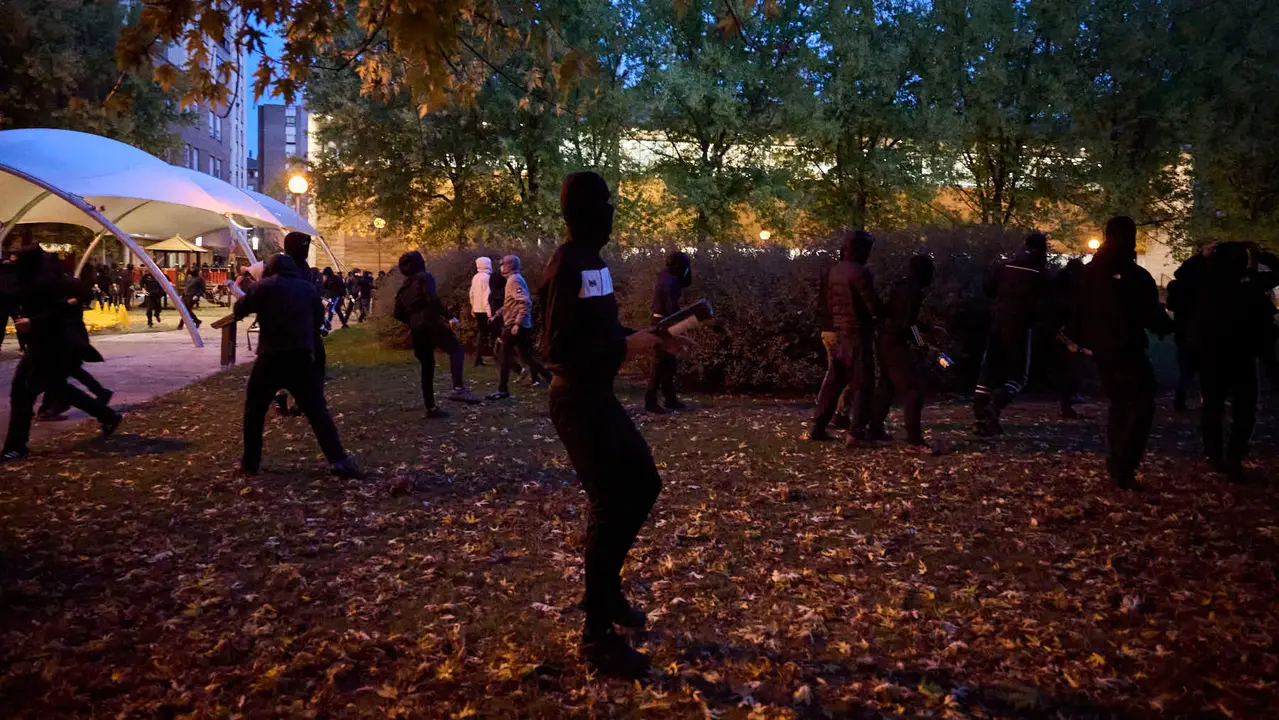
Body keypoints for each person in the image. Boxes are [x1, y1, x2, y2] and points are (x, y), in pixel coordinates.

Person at [540, 171, 688, 677]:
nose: (612, 211)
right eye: (604, 203)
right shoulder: (566, 266)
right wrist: (628, 346)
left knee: (643, 485)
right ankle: (596, 635)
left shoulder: (593, 264)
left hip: (597, 397)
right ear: (584, 211)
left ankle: (606, 592)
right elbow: (557, 350)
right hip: (577, 402)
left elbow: (600, 330)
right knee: (610, 504)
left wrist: (650, 335)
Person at [233, 254, 360, 477]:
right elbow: (319, 319)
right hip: (300, 356)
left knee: (254, 410)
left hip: (270, 356)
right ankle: (338, 460)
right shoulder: (307, 289)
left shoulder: (263, 287)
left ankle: (251, 462)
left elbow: (239, 310)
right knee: (317, 411)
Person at [1072, 216, 1173, 490]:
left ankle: (1118, 459)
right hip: (1126, 344)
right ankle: (1124, 462)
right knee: (1140, 404)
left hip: (1101, 346)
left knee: (1119, 403)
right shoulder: (1134, 275)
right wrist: (1167, 325)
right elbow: (1150, 313)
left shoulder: (1091, 271)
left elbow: (1078, 305)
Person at [2, 246, 121, 462]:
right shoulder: (28, 279)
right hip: (42, 345)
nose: (13, 261)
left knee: (23, 393)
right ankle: (108, 415)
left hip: (52, 346)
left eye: (17, 258)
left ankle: (16, 446)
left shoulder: (46, 282)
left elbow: (69, 305)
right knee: (57, 388)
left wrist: (34, 322)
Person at [1187, 242, 1274, 482]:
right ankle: (1234, 455)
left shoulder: (1206, 282)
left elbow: (1182, 275)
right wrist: (1262, 256)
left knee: (1212, 407)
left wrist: (1201, 257)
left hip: (1212, 354)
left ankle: (1214, 455)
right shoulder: (1249, 284)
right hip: (1242, 354)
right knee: (1244, 409)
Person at [973, 232, 1051, 436]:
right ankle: (996, 405)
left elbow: (988, 289)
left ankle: (980, 420)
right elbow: (1049, 303)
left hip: (996, 324)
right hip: (1021, 328)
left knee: (988, 371)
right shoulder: (1041, 272)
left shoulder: (1004, 266)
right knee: (1018, 376)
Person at [811, 228, 883, 446]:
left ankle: (818, 426)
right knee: (863, 383)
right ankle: (856, 433)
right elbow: (873, 305)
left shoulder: (834, 271)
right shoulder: (860, 272)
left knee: (835, 380)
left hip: (838, 332)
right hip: (857, 333)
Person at [867, 254, 937, 451]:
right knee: (913, 389)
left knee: (887, 387)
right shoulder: (914, 291)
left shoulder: (902, 286)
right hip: (894, 343)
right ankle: (914, 439)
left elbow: (900, 316)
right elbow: (907, 322)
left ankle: (874, 429)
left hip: (884, 339)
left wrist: (926, 329)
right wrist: (921, 341)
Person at [393, 251, 475, 417]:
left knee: (427, 367)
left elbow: (398, 313)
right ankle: (458, 388)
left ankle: (430, 407)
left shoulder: (403, 288)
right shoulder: (425, 277)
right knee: (457, 349)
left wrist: (412, 321)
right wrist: (450, 316)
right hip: (432, 324)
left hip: (417, 329)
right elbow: (432, 299)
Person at [489, 254, 551, 400]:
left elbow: (524, 302)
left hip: (515, 326)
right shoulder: (513, 280)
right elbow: (511, 303)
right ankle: (551, 379)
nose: (501, 267)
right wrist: (498, 314)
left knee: (503, 356)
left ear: (509, 266)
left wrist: (517, 323)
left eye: (503, 264)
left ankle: (503, 390)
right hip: (518, 324)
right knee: (527, 357)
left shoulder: (514, 280)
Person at [646, 251, 693, 414]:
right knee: (661, 363)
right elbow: (672, 308)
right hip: (664, 323)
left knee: (667, 363)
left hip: (662, 321)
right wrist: (681, 327)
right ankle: (651, 401)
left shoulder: (665, 277)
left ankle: (669, 398)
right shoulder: (670, 282)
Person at [1166, 246, 1211, 411]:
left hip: (1184, 330)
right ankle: (1207, 400)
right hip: (1199, 330)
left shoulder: (1179, 287)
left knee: (1186, 367)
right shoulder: (1204, 287)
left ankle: (1181, 398)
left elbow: (1172, 305)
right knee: (1204, 367)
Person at [1054, 257, 1086, 420]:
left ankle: (1067, 399)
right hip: (1069, 331)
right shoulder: (1074, 291)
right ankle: (1068, 400)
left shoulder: (1059, 288)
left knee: (1066, 366)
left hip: (1061, 330)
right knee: (1071, 366)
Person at [469, 257, 495, 367]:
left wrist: (472, 306)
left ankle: (478, 359)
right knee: (490, 333)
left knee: (482, 333)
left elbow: (472, 293)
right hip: (485, 310)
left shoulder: (476, 277)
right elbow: (487, 296)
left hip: (477, 309)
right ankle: (494, 356)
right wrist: (490, 313)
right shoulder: (487, 278)